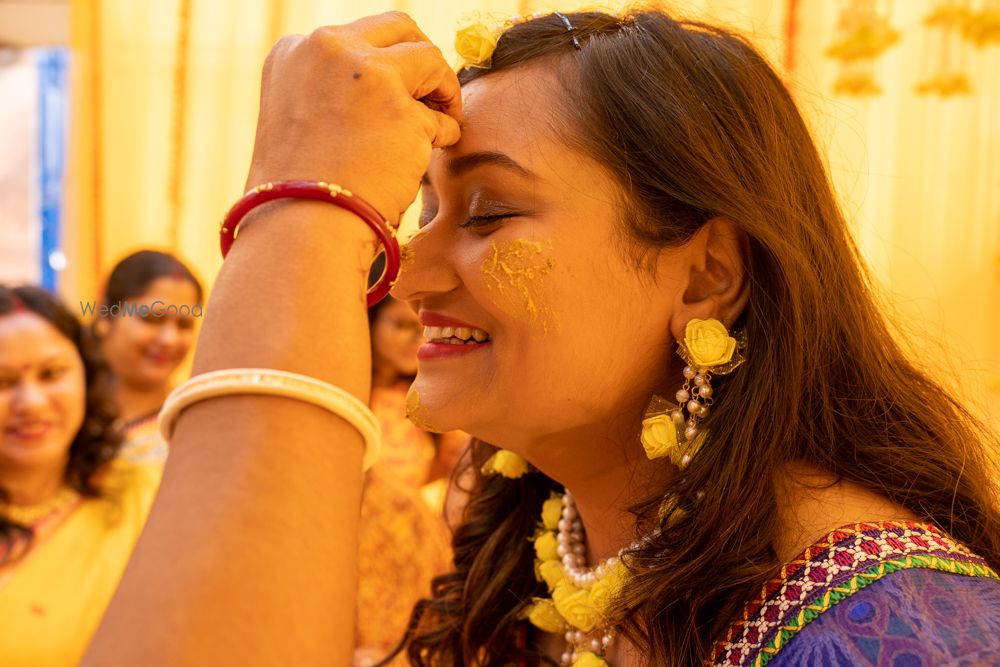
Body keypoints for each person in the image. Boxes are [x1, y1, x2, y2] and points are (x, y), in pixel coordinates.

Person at [82, 9, 1000, 667]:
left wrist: (296, 208)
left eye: (487, 214)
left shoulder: (892, 622)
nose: (405, 267)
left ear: (706, 273)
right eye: (424, 208)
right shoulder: (531, 547)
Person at [0, 285, 161, 666]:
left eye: (52, 374)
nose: (32, 403)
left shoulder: (147, 496)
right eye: (3, 382)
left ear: (86, 378)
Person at [94, 250, 202, 464]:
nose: (169, 339)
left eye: (184, 324)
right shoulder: (66, 413)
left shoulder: (194, 425)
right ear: (105, 314)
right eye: (151, 318)